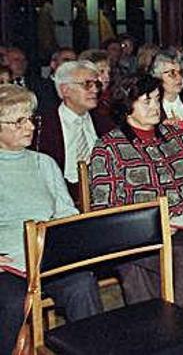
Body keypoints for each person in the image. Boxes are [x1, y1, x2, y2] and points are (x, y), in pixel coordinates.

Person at [88, 74, 183, 305]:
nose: (156, 107)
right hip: (145, 233)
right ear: (126, 107)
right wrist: (154, 224)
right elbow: (106, 207)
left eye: (157, 99)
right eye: (147, 101)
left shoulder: (177, 136)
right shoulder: (109, 148)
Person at [0, 85, 102, 355]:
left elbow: (67, 212)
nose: (29, 127)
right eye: (18, 121)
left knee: (82, 284)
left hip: (47, 256)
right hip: (8, 263)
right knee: (11, 302)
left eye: (30, 118)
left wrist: (65, 237)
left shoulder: (44, 163)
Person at [34, 60, 115, 206]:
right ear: (65, 89)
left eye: (97, 84)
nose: (95, 90)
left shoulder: (106, 123)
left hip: (103, 198)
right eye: (87, 84)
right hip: (59, 201)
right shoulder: (42, 127)